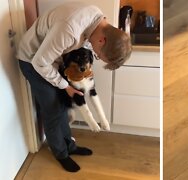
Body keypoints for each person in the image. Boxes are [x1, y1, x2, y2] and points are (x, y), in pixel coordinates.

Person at [17, 2, 132, 172]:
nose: (96, 56)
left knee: (63, 105)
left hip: (52, 61)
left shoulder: (97, 18)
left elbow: (84, 42)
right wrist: (66, 86)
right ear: (102, 40)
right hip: (32, 60)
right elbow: (40, 63)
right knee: (53, 110)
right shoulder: (69, 30)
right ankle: (61, 153)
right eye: (99, 56)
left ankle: (69, 146)